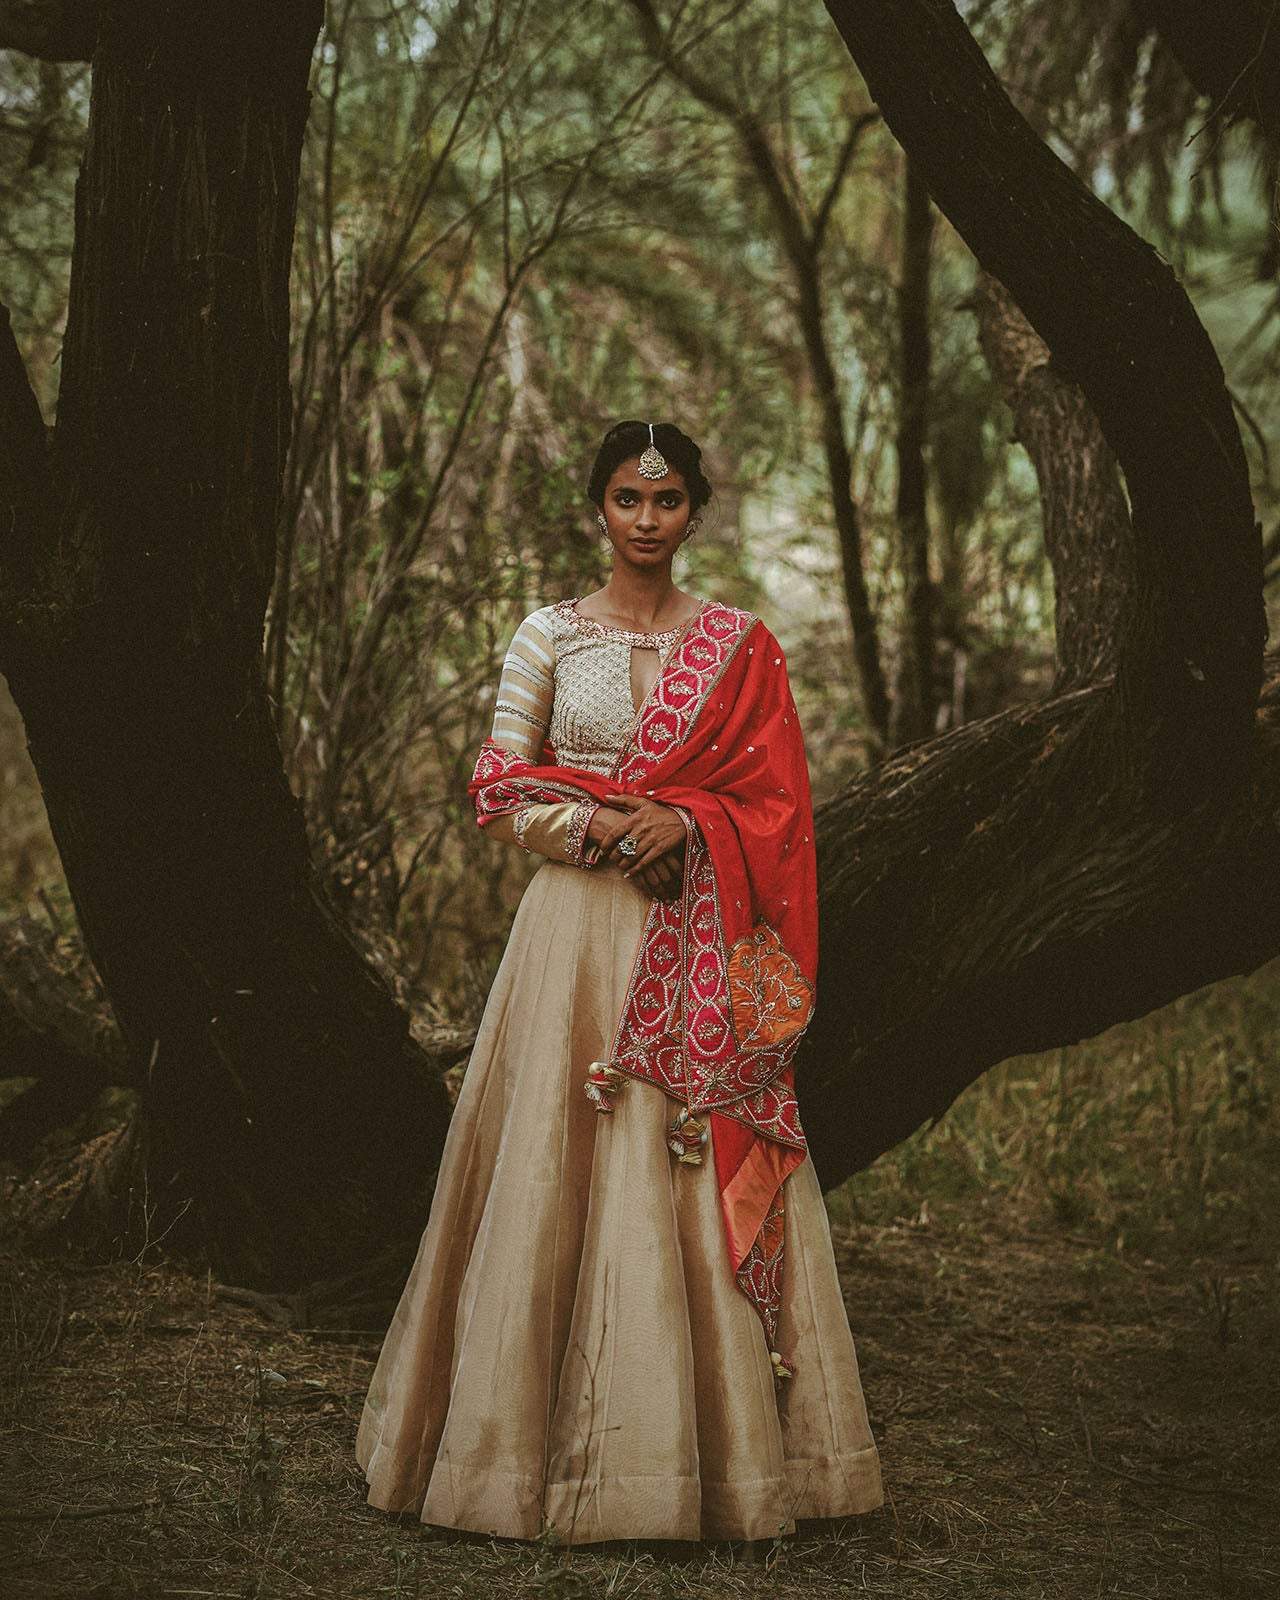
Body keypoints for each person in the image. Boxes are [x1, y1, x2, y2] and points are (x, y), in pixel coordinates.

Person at [355, 420, 882, 1544]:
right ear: (596, 508)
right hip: (570, 940)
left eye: (669, 500)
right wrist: (607, 832)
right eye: (626, 500)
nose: (646, 521)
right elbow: (500, 788)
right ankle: (509, 1457)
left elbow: (778, 813)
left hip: (695, 931)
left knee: (673, 1160)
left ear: (697, 510)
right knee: (551, 1163)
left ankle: (712, 1465)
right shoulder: (546, 635)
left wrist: (684, 822)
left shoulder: (740, 647)